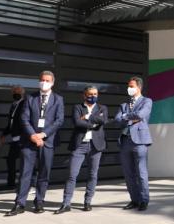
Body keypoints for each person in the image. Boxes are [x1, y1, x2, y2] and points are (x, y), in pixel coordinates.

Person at [6, 71, 64, 216]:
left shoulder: (58, 99)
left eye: (47, 80)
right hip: (28, 141)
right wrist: (33, 135)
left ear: (53, 82)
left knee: (44, 174)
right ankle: (19, 204)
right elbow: (24, 118)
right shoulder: (30, 98)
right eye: (42, 80)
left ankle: (39, 202)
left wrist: (43, 135)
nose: (44, 82)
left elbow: (59, 120)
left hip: (47, 142)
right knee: (25, 173)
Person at [55, 86, 108, 214]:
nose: (93, 96)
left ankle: (88, 202)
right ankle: (66, 203)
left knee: (92, 174)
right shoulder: (77, 107)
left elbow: (104, 120)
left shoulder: (102, 107)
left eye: (95, 94)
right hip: (79, 145)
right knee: (72, 175)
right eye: (90, 94)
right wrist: (93, 122)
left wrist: (87, 117)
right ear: (84, 95)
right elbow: (77, 123)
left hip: (96, 146)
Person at [115, 76, 153, 211]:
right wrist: (130, 117)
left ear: (139, 87)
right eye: (128, 86)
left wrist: (126, 116)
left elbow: (141, 115)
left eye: (132, 86)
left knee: (141, 172)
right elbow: (117, 119)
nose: (129, 89)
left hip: (140, 141)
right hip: (125, 141)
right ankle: (134, 200)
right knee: (128, 173)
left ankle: (144, 200)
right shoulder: (124, 105)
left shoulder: (146, 101)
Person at [0, 86, 27, 189]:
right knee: (11, 160)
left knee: (24, 161)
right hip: (14, 137)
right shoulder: (14, 105)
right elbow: (11, 122)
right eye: (14, 92)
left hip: (22, 137)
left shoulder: (24, 104)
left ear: (22, 93)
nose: (15, 93)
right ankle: (11, 184)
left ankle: (27, 184)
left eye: (17, 91)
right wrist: (3, 135)